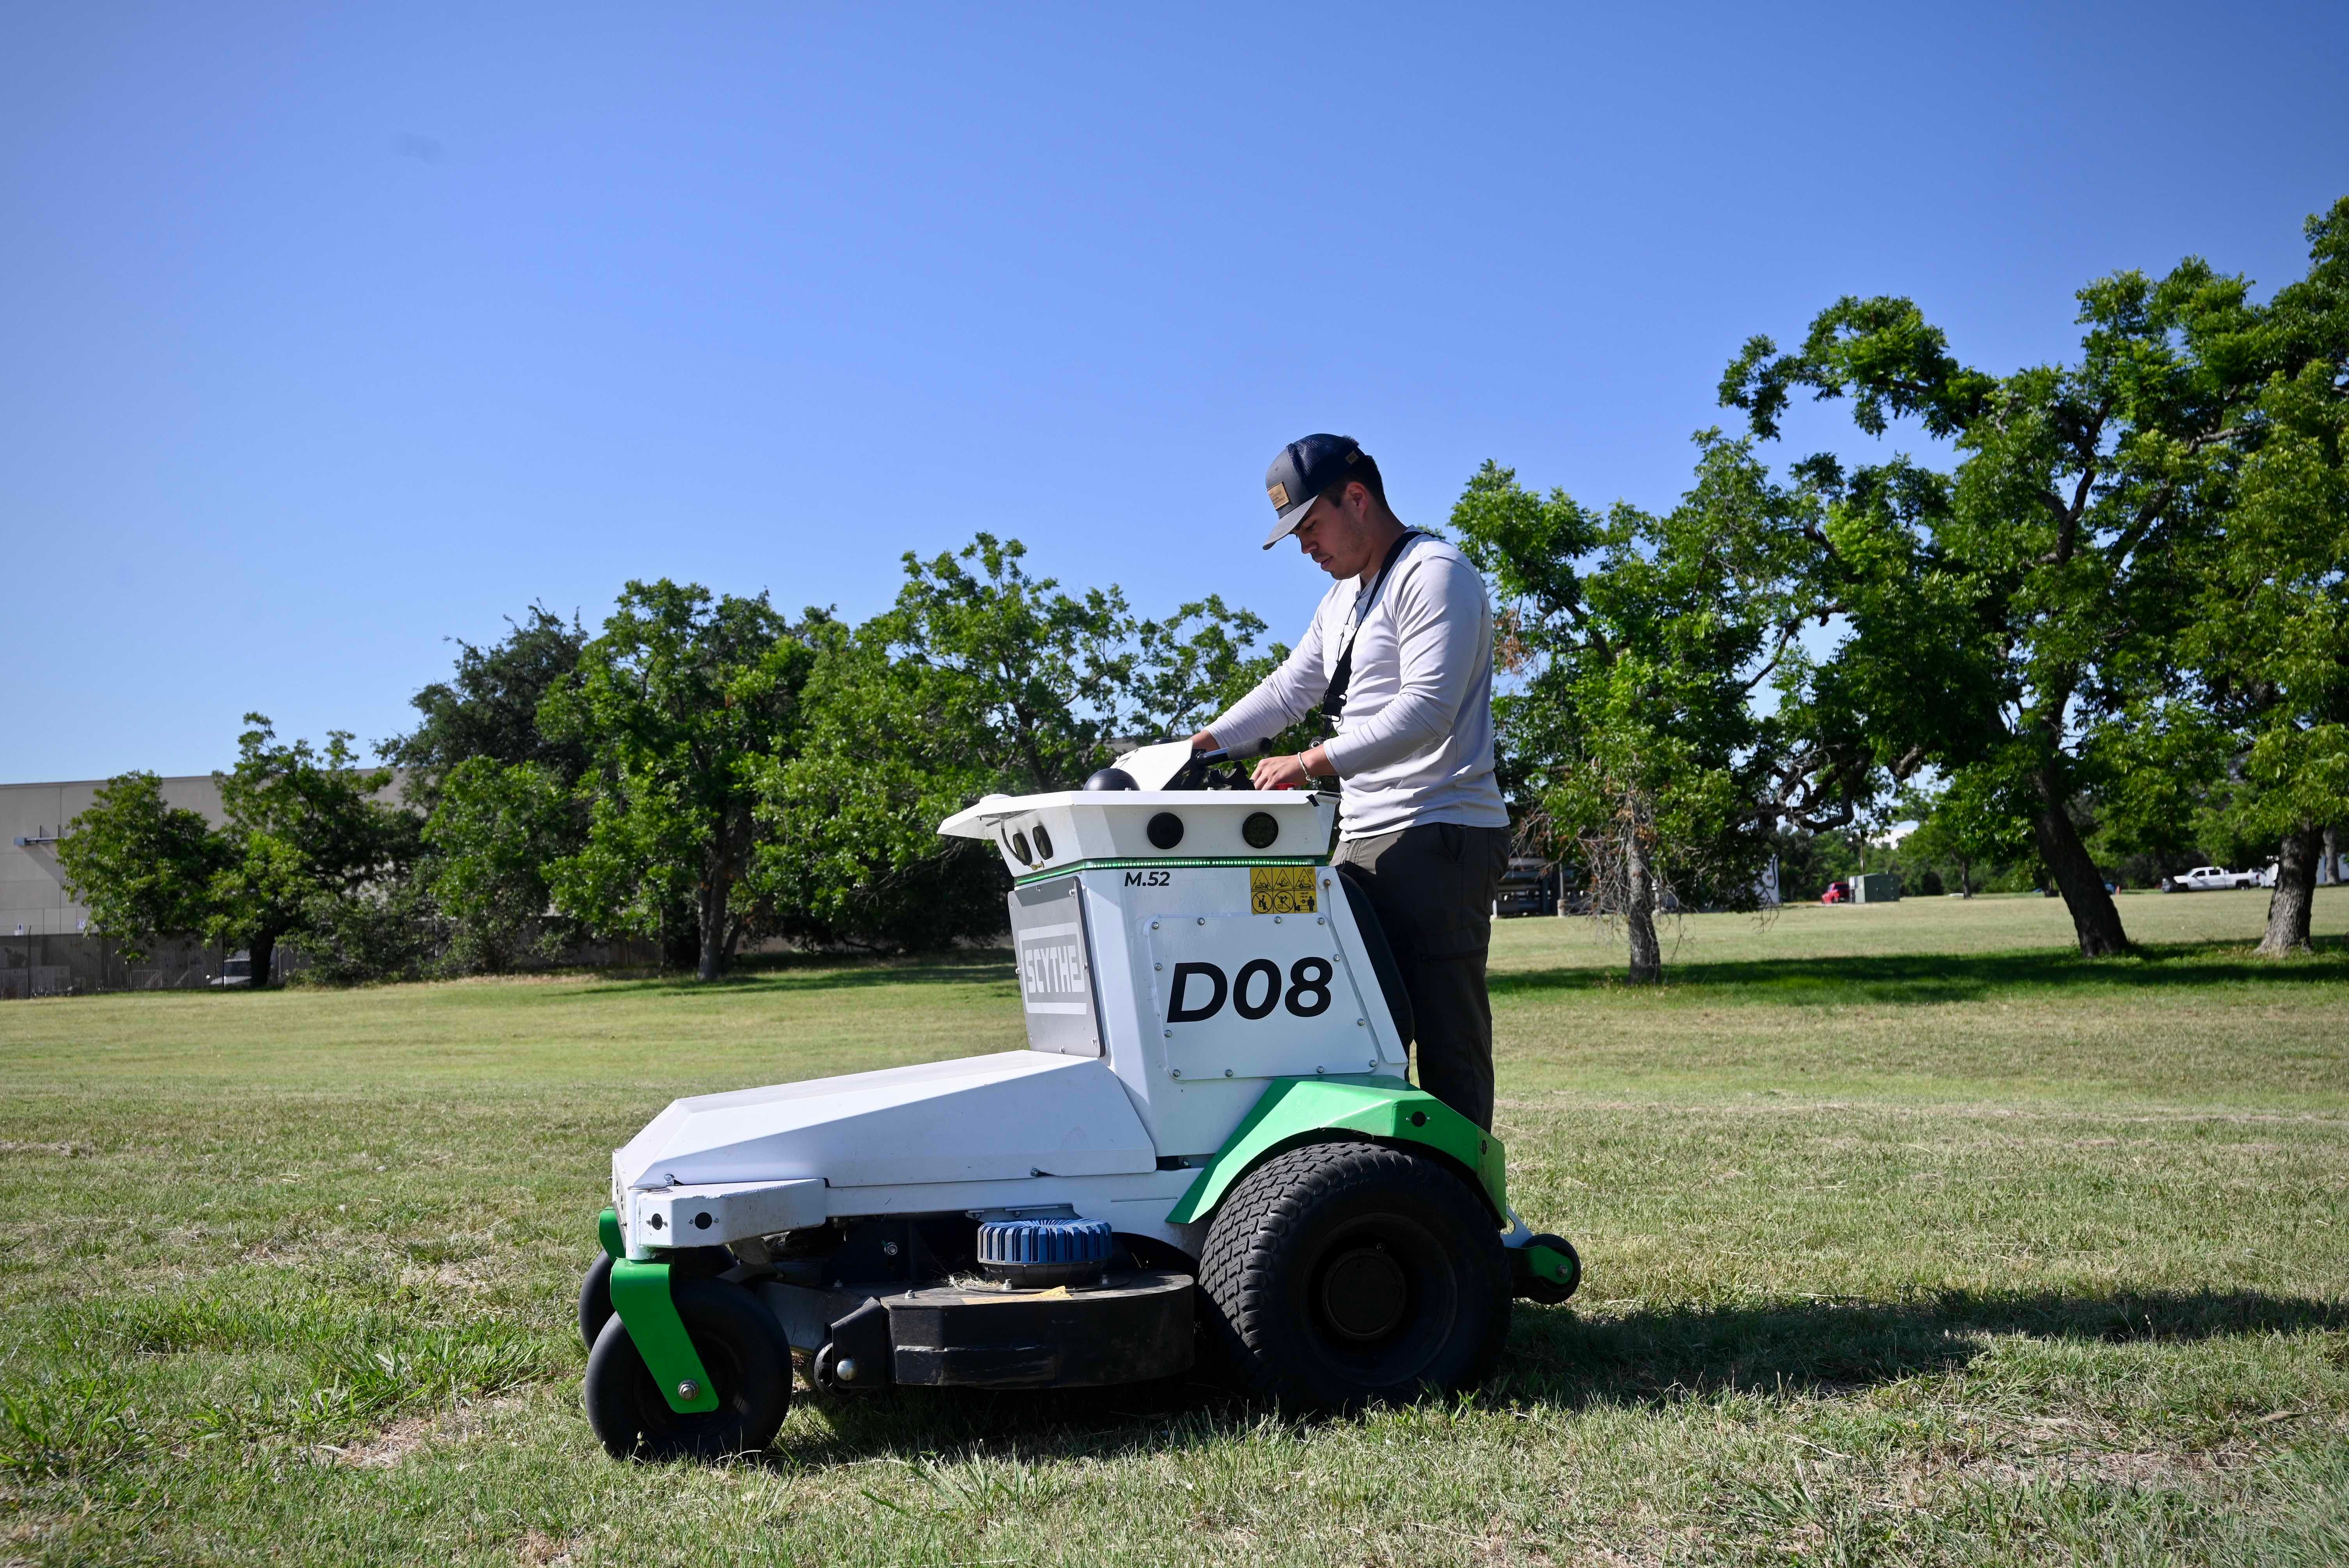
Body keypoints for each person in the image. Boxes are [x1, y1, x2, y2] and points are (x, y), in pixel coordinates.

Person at [1188, 433, 1511, 1130]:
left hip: (1439, 831)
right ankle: (1392, 1195)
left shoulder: (1434, 573)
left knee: (1447, 1041)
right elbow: (1288, 689)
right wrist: (1201, 744)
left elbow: (1428, 712)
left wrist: (1308, 764)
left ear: (1357, 498)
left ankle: (1466, 1221)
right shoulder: (1344, 598)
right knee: (1360, 1031)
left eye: (1311, 525)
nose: (1306, 547)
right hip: (1360, 836)